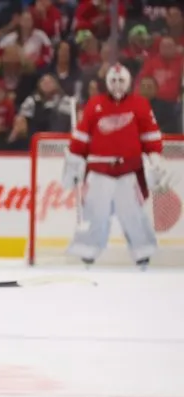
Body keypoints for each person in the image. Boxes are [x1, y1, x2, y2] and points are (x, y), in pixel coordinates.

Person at [62, 64, 169, 268]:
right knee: (95, 212)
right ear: (107, 83)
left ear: (128, 82)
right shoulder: (95, 104)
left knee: (133, 213)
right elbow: (82, 137)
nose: (117, 85)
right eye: (113, 80)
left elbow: (150, 135)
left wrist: (155, 158)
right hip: (99, 170)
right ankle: (87, 251)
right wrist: (74, 162)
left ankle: (143, 252)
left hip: (130, 170)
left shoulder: (140, 104)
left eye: (121, 81)